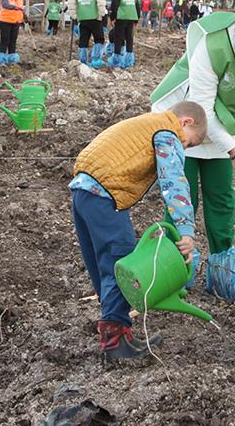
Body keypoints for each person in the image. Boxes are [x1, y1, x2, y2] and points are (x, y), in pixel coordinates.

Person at [150, 0, 235, 301]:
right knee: (181, 201)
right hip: (186, 124)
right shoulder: (213, 45)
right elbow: (202, 109)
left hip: (221, 128)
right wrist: (234, 152)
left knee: (222, 201)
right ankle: (175, 276)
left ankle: (222, 277)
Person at [70, 101, 207, 361]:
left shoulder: (146, 123)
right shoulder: (168, 133)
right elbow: (173, 179)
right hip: (106, 193)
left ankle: (119, 332)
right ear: (186, 122)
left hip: (83, 190)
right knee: (121, 261)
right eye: (189, 144)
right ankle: (115, 343)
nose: (184, 148)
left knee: (102, 264)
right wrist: (185, 229)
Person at [67, 0, 107, 68]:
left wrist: (74, 16)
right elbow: (101, 1)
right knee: (99, 39)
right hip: (95, 18)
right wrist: (101, 14)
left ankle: (83, 60)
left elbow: (71, 3)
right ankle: (96, 60)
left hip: (83, 19)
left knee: (83, 40)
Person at [107, 0, 138, 69]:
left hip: (121, 16)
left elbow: (114, 3)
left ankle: (117, 60)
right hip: (132, 16)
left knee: (118, 38)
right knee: (129, 38)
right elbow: (137, 4)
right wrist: (137, 18)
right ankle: (128, 60)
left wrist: (113, 17)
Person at [0, 0, 24, 65]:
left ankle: (12, 59)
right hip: (5, 22)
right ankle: (1, 60)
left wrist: (25, 17)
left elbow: (20, 9)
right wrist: (15, 7)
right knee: (5, 40)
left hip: (15, 23)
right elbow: (5, 5)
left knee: (13, 41)